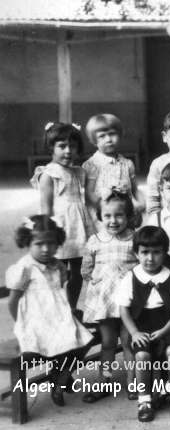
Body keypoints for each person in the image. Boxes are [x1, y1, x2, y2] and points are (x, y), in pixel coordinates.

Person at [6, 215, 93, 406]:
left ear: (58, 243)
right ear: (28, 243)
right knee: (67, 340)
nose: (46, 249)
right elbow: (13, 301)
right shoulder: (25, 268)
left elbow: (59, 295)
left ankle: (60, 377)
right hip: (34, 323)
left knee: (85, 338)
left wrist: (68, 311)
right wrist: (22, 324)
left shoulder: (58, 265)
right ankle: (61, 378)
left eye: (51, 243)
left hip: (56, 318)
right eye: (39, 244)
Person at [77, 191, 138, 403]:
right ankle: (105, 382)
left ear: (128, 216)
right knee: (108, 343)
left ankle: (134, 384)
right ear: (101, 216)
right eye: (108, 216)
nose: (113, 220)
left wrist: (127, 275)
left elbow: (142, 267)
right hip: (104, 303)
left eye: (119, 215)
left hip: (127, 302)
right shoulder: (95, 240)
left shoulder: (134, 239)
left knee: (129, 342)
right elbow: (86, 270)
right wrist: (100, 281)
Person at [116, 226, 170, 422]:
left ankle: (169, 387)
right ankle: (144, 400)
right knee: (142, 355)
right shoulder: (131, 277)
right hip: (141, 327)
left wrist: (165, 330)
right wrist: (134, 332)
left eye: (156, 252)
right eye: (144, 252)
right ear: (136, 253)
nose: (150, 258)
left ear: (165, 253)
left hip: (167, 325)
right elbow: (123, 309)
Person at [31, 122, 96, 308]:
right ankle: (57, 309)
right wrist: (49, 235)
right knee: (58, 272)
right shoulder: (48, 174)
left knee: (78, 272)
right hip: (60, 229)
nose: (68, 151)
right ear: (51, 147)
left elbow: (87, 198)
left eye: (72, 146)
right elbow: (46, 210)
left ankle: (72, 307)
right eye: (62, 146)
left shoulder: (78, 172)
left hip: (79, 227)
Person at [82, 113, 143, 225]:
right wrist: (104, 208)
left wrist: (140, 203)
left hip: (125, 214)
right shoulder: (92, 164)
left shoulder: (127, 163)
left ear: (120, 135)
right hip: (103, 216)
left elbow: (134, 189)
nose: (109, 139)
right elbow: (89, 193)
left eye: (112, 134)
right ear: (94, 140)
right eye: (102, 136)